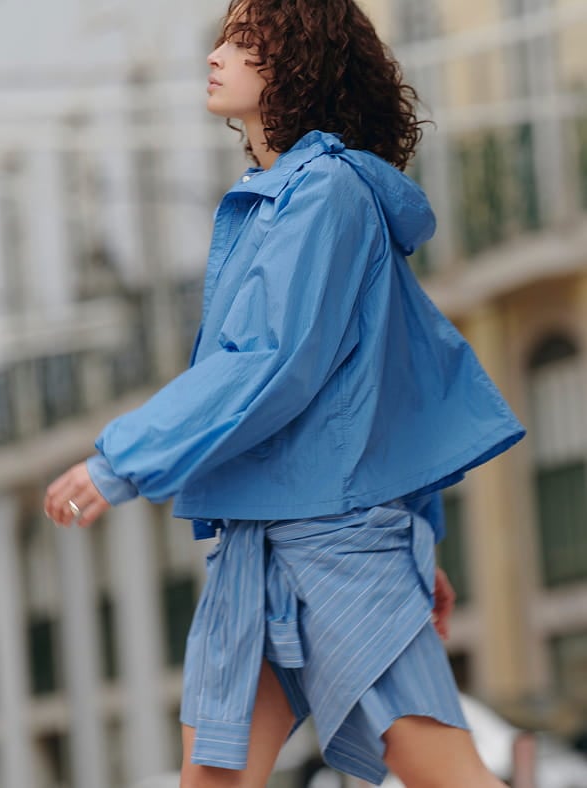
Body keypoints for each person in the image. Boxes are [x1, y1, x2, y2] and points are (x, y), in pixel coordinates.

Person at [44, 1, 526, 786]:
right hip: (259, 547)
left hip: (335, 548)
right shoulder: (278, 199)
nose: (217, 53)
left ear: (298, 66)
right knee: (214, 775)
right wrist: (420, 536)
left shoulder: (326, 195)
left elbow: (267, 364)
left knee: (440, 769)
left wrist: (118, 461)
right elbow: (381, 384)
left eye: (246, 41)